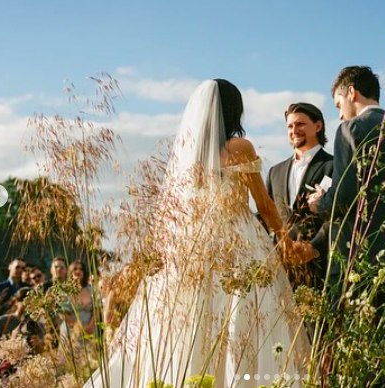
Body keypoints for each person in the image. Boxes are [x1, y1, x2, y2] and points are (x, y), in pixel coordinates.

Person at [85, 79, 310, 388]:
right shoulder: (239, 148)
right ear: (234, 111)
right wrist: (284, 239)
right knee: (246, 317)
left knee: (189, 323)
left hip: (193, 246)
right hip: (238, 241)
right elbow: (263, 204)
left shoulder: (186, 153)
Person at [307, 66, 385, 305]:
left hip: (357, 262)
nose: (339, 115)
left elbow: (344, 198)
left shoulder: (351, 130)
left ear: (351, 93)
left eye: (339, 105)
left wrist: (320, 203)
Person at [267, 102, 333, 291]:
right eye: (290, 126)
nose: (294, 130)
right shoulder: (274, 172)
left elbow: (339, 215)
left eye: (300, 124)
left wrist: (313, 248)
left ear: (318, 126)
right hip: (280, 270)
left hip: (320, 270)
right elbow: (266, 215)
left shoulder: (335, 166)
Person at [60, 260, 96, 339]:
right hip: (71, 331)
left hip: (90, 331)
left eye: (81, 269)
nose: (78, 271)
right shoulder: (65, 291)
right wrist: (79, 328)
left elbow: (97, 309)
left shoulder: (92, 289)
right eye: (75, 269)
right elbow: (63, 314)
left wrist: (91, 326)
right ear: (70, 272)